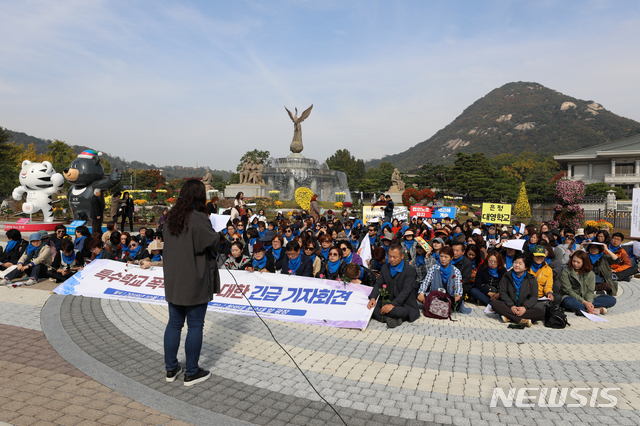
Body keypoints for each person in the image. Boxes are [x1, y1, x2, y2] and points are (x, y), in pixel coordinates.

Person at [163, 179, 220, 386]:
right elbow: (212, 242)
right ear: (199, 195)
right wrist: (219, 234)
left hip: (173, 279)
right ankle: (192, 372)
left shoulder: (171, 216)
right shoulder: (198, 218)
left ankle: (171, 369)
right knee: (195, 325)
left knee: (174, 324)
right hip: (194, 279)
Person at [367, 244, 420, 328]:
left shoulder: (409, 270)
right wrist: (373, 297)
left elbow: (406, 291)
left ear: (402, 256)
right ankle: (388, 319)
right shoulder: (385, 267)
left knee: (395, 311)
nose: (392, 259)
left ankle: (390, 317)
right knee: (371, 307)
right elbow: (378, 284)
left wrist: (392, 305)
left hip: (404, 304)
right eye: (390, 256)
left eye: (395, 257)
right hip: (388, 300)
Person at [490, 253, 545, 326]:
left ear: (526, 267)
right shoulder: (507, 276)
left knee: (540, 312)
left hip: (524, 307)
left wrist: (524, 307)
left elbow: (534, 296)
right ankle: (520, 320)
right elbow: (502, 292)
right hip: (509, 306)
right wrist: (511, 306)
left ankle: (509, 317)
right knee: (495, 304)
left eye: (520, 263)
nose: (517, 265)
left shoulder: (531, 279)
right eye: (515, 262)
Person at [417, 246, 471, 314]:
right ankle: (441, 307)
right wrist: (421, 292)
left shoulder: (456, 271)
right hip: (435, 296)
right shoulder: (434, 268)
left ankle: (438, 307)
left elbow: (458, 286)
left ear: (451, 258)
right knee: (421, 296)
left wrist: (457, 294)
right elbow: (426, 282)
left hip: (449, 296)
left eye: (446, 257)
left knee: (458, 301)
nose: (443, 259)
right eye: (441, 256)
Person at [560, 251, 616, 315]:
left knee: (612, 300)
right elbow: (568, 290)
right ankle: (595, 310)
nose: (575, 264)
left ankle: (583, 309)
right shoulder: (566, 271)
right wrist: (584, 302)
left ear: (584, 262)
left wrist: (589, 302)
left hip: (586, 297)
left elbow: (590, 291)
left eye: (578, 262)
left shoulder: (590, 274)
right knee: (567, 302)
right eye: (573, 261)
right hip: (571, 297)